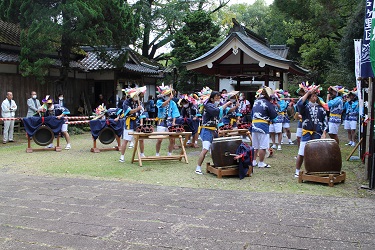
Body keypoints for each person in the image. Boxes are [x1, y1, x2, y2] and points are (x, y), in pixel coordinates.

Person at [195, 91, 235, 175]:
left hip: (214, 131)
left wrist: (235, 105)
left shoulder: (218, 105)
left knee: (217, 149)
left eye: (219, 97)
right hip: (206, 130)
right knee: (205, 149)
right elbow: (216, 111)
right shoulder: (208, 105)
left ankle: (217, 165)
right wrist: (226, 104)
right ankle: (198, 167)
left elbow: (227, 111)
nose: (218, 99)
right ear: (212, 98)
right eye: (216, 98)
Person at [294, 85, 327, 177]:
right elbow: (299, 104)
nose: (314, 97)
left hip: (317, 133)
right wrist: (308, 92)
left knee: (317, 153)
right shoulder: (305, 108)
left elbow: (325, 122)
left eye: (315, 96)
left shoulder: (321, 109)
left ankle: (316, 170)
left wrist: (324, 133)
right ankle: (297, 171)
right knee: (301, 153)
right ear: (309, 97)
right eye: (312, 96)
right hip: (307, 133)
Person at [250, 87, 278, 168]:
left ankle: (254, 161)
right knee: (263, 146)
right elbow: (274, 116)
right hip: (263, 125)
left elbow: (252, 114)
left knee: (255, 145)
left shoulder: (256, 102)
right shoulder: (268, 103)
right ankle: (261, 163)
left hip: (254, 125)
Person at [119, 88, 146, 162]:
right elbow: (128, 112)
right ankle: (122, 156)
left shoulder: (140, 102)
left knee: (141, 139)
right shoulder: (126, 102)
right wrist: (137, 109)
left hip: (137, 122)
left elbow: (141, 115)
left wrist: (141, 123)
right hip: (129, 122)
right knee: (126, 140)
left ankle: (142, 154)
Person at [155, 86, 180, 156]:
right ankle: (157, 153)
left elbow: (175, 113)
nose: (168, 96)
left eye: (169, 94)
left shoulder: (173, 103)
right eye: (167, 95)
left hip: (169, 122)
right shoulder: (159, 101)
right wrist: (169, 99)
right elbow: (162, 105)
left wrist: (174, 122)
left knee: (172, 139)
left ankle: (169, 153)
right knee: (159, 139)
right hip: (161, 122)